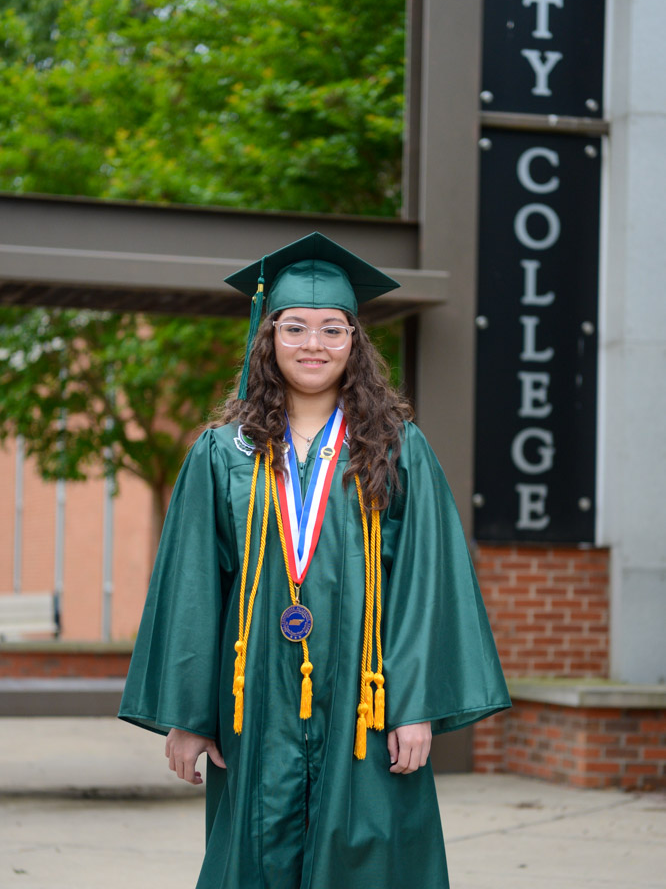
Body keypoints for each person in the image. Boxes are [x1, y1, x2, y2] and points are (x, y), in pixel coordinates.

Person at [119, 232, 510, 889]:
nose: (314, 344)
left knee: (367, 856)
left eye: (333, 329)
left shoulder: (394, 450)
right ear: (268, 338)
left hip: (366, 700)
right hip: (257, 703)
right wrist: (189, 716)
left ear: (355, 343)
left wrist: (414, 704)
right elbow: (192, 587)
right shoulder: (224, 455)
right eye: (295, 327)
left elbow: (427, 581)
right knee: (256, 852)